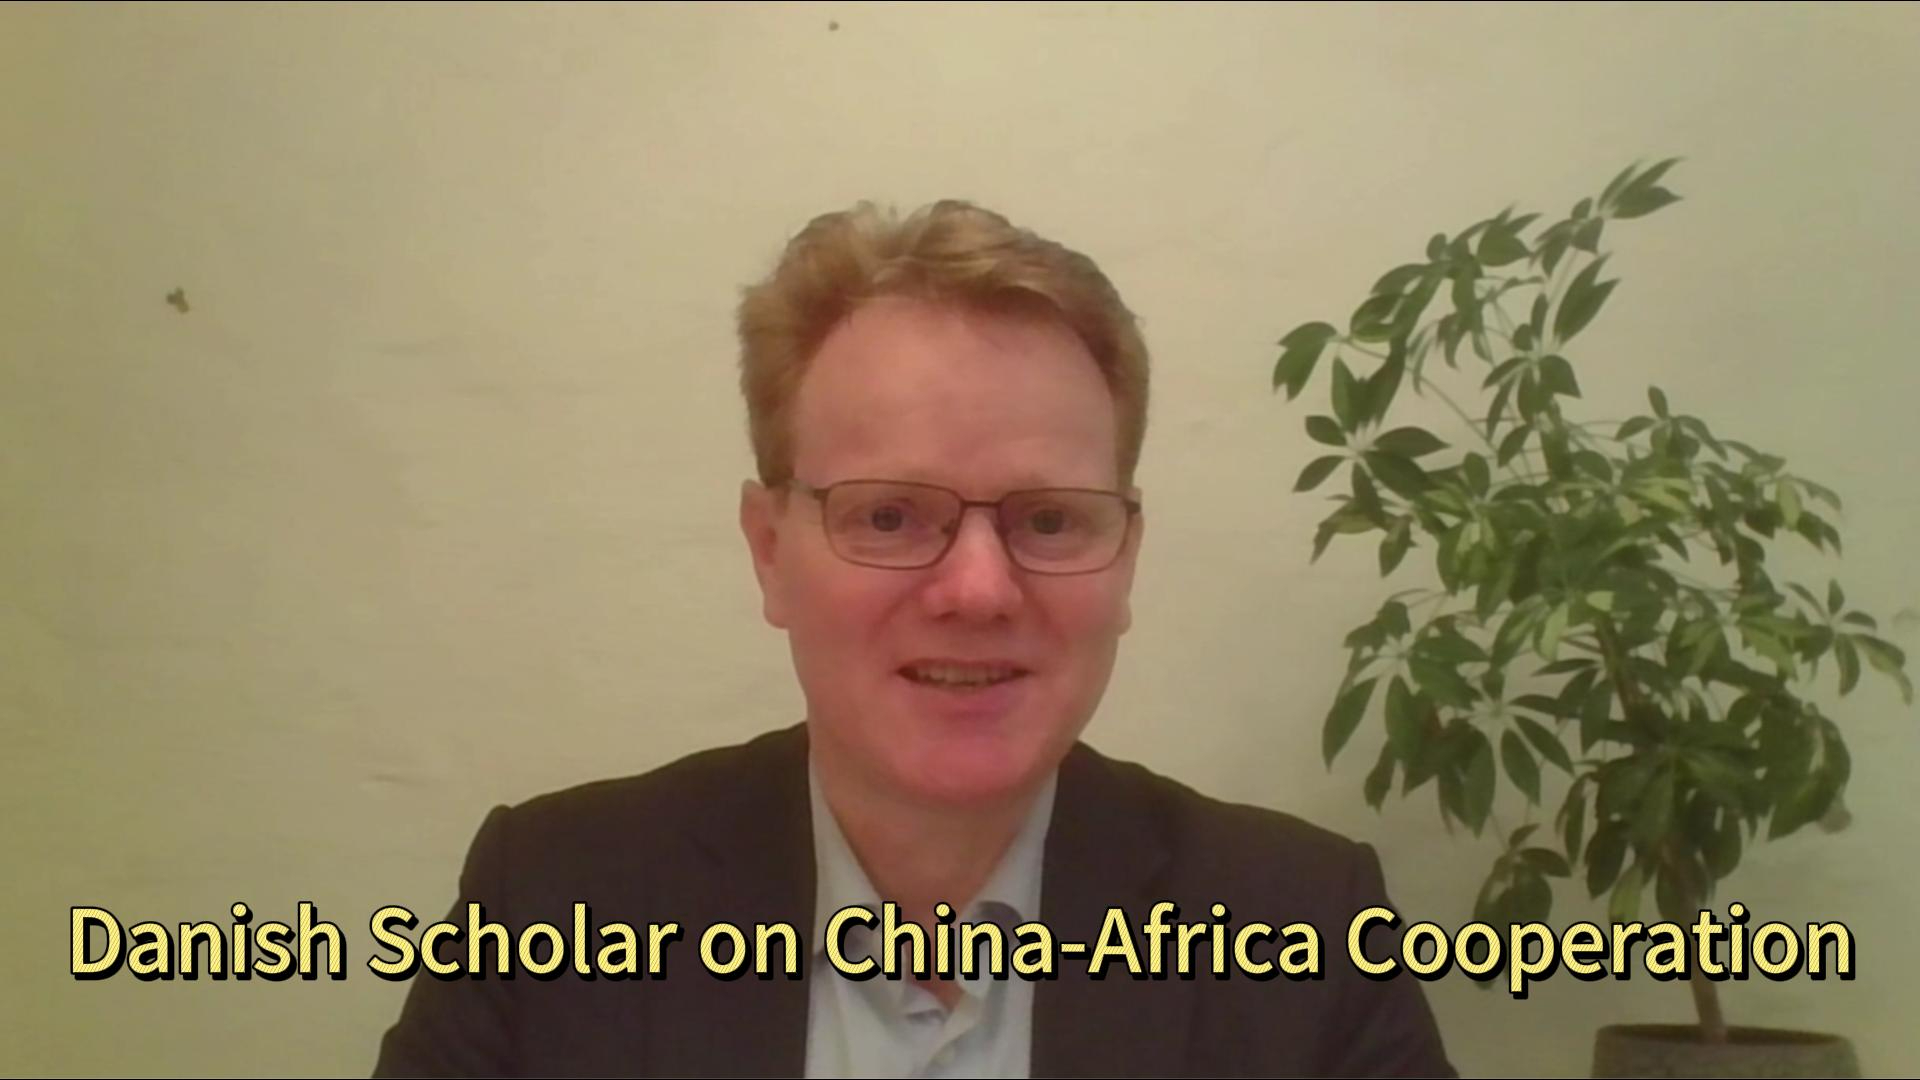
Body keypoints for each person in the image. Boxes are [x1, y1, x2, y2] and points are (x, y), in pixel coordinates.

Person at [372, 200, 1455, 1077]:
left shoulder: (1306, 928)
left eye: (1049, 520)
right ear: (769, 551)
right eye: (889, 516)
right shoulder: (554, 901)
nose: (978, 590)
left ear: (1124, 557)